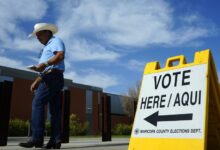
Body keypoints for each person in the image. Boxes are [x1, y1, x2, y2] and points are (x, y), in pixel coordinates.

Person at [19, 23, 65, 149]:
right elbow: (46, 68)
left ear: (47, 32)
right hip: (52, 76)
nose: (37, 38)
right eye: (36, 35)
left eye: (39, 34)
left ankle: (37, 138)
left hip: (52, 77)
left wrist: (44, 64)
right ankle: (55, 140)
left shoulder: (55, 41)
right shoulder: (47, 48)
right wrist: (37, 81)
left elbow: (60, 56)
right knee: (54, 111)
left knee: (38, 103)